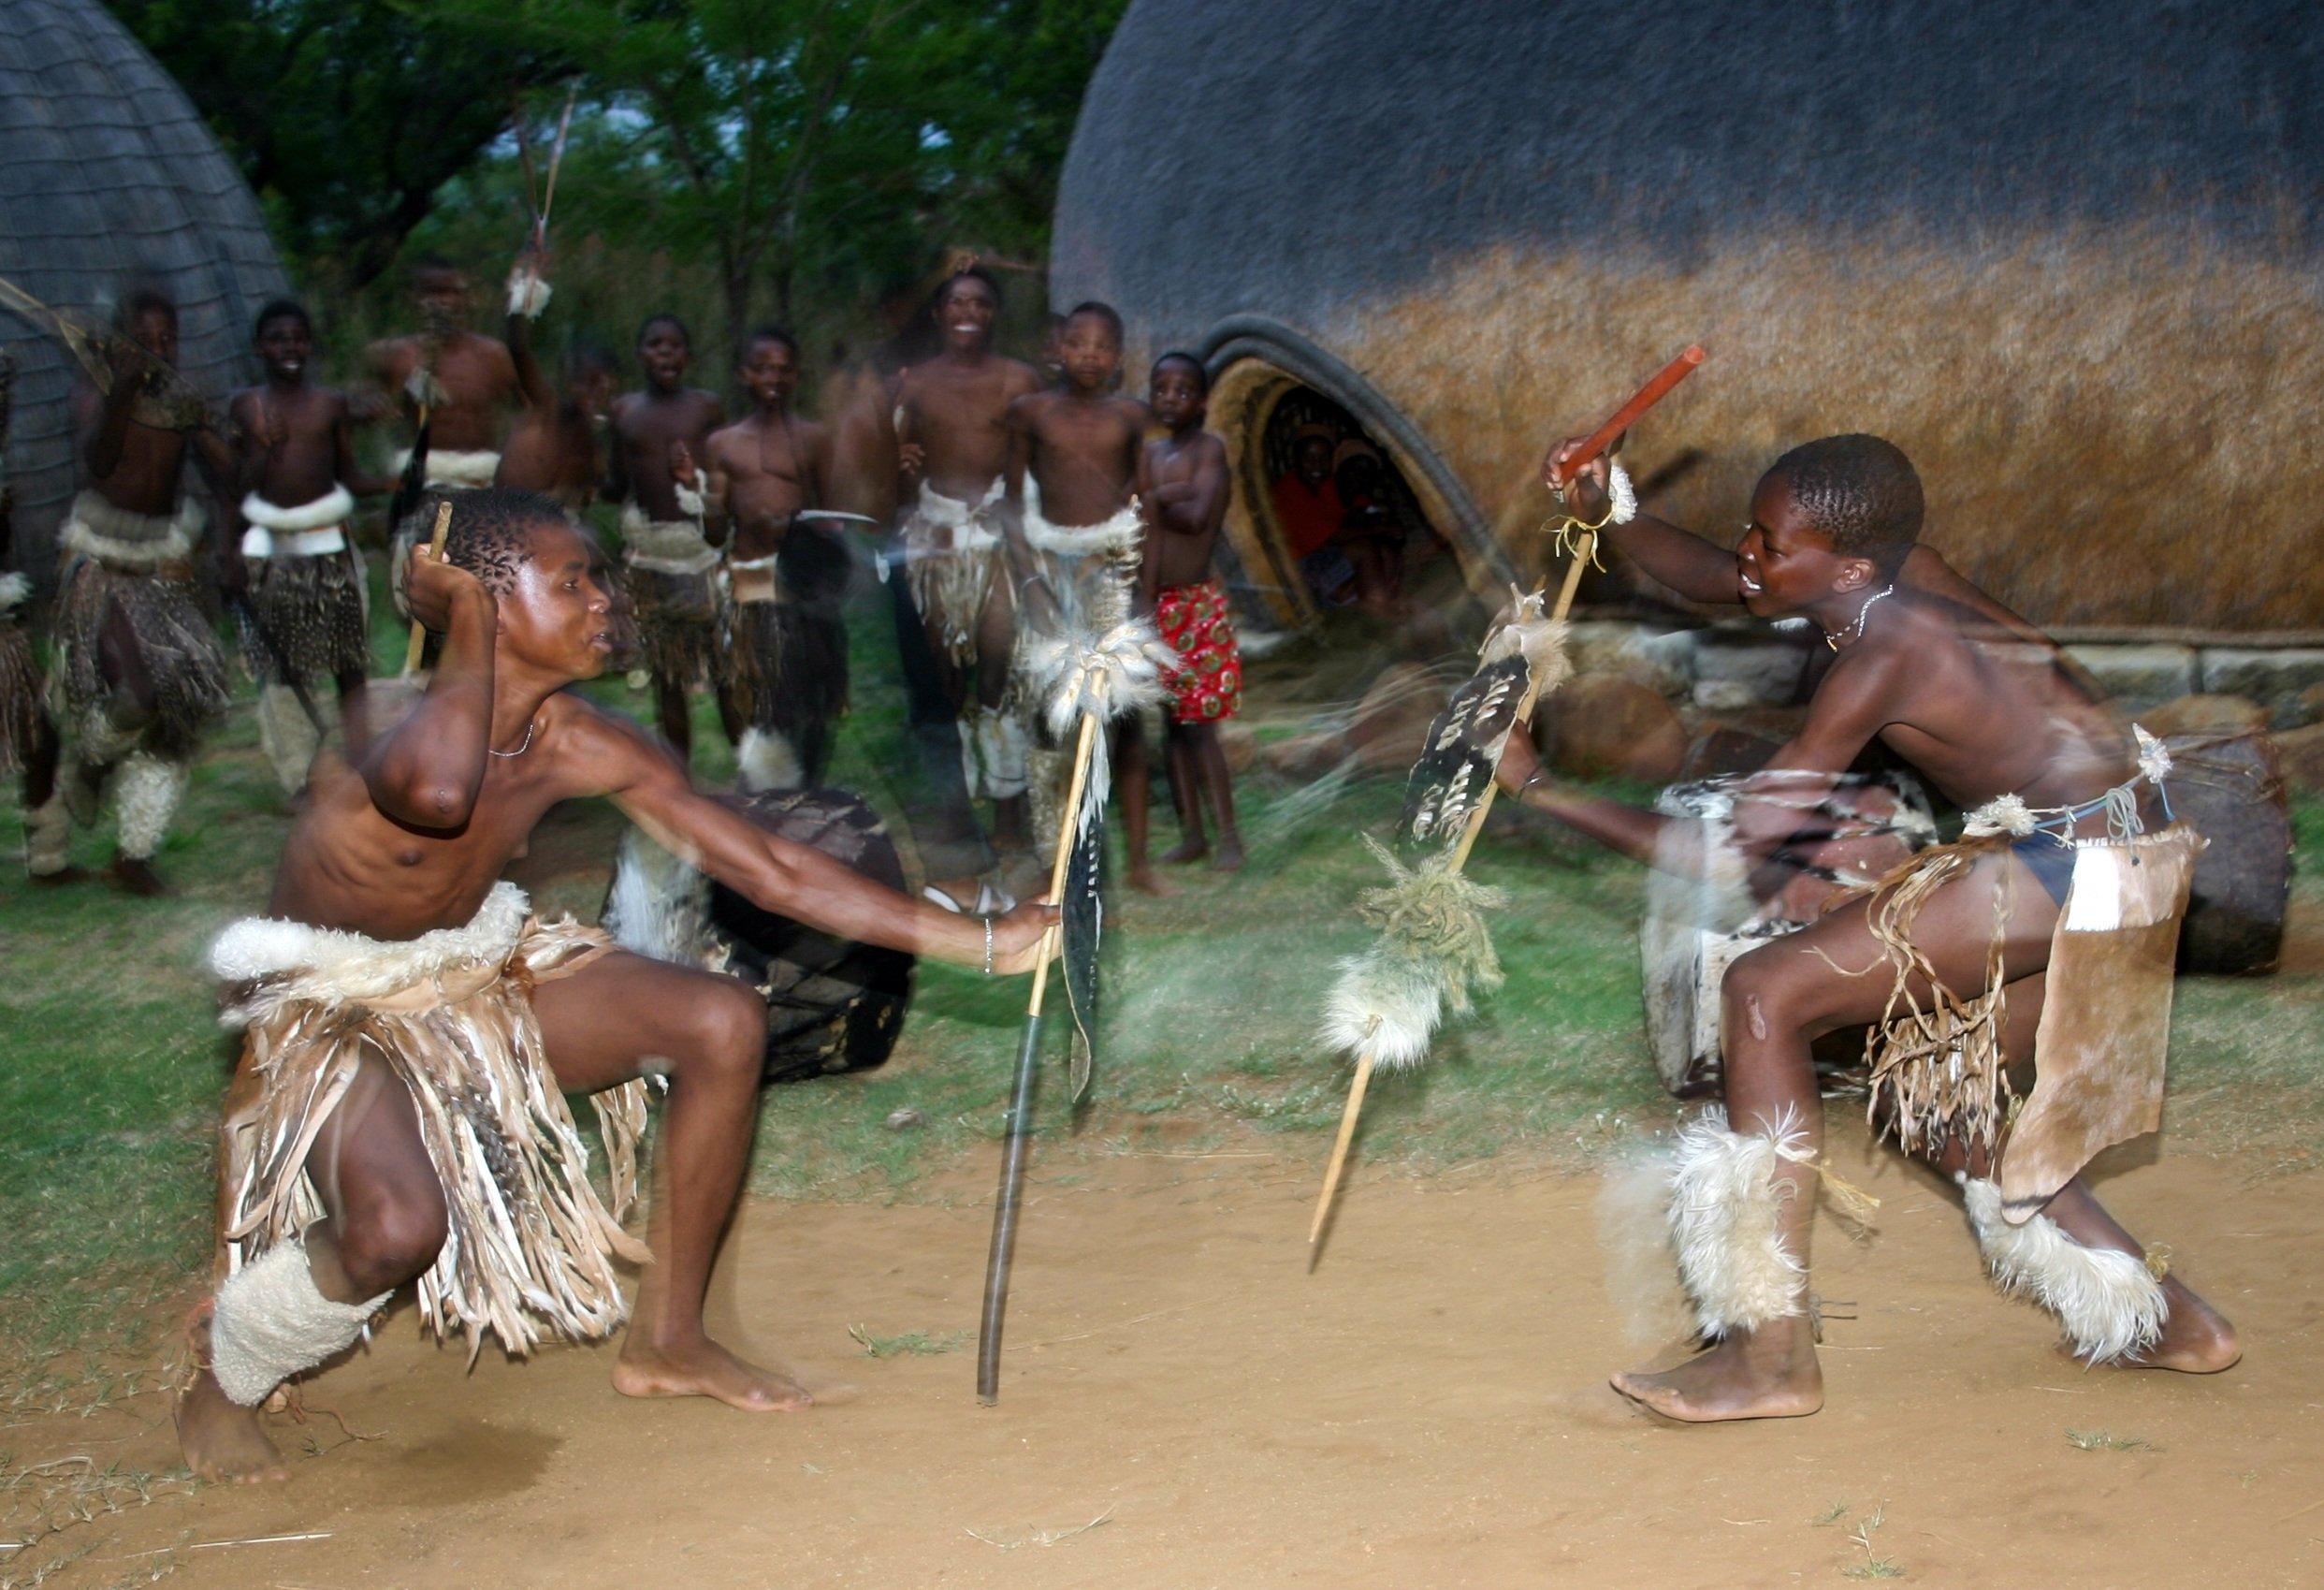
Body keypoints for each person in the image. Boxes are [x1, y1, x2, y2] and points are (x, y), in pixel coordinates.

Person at [174, 487, 1053, 1484]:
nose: (606, 602)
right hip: (334, 1011)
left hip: (473, 969)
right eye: (574, 582)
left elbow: (771, 868)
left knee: (720, 1018)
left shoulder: (581, 738)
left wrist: (981, 940)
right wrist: (461, 613)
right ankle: (223, 1380)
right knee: (393, 1231)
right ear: (486, 603)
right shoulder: (384, 722)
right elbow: (437, 793)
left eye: (599, 581)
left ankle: (669, 1340)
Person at [1500, 432, 2238, 1423]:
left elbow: (1735, 849)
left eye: (1771, 543)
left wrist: (1539, 787)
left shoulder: (1886, 653)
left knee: (1764, 993)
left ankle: (1769, 1357)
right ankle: (2163, 1319)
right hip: (2126, 852)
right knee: (1937, 1106)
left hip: (2078, 869)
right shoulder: (1897, 580)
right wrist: (1611, 507)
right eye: (1751, 535)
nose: (1748, 559)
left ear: (1846, 567)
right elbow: (1717, 576)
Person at [49, 288, 236, 896]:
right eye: (145, 339)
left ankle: (134, 853)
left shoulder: (183, 404)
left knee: (179, 707)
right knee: (143, 691)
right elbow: (100, 464)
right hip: (103, 561)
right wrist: (125, 390)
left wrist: (211, 428)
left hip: (161, 563)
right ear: (121, 342)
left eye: (167, 339)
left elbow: (229, 475)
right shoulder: (97, 393)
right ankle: (92, 757)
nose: (158, 350)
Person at [891, 267, 1042, 906]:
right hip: (934, 539)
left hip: (994, 533)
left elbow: (1028, 463)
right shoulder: (915, 383)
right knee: (944, 684)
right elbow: (894, 469)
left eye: (981, 302)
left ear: (994, 313)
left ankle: (1010, 813)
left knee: (999, 672)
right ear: (939, 312)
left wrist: (1021, 543)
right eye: (957, 301)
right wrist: (897, 466)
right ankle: (960, 820)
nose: (968, 311)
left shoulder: (1017, 380)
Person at [1001, 301, 1151, 869]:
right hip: (1048, 570)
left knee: (1118, 710)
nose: (1089, 354)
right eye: (1078, 342)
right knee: (1048, 710)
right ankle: (1054, 851)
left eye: (1102, 345)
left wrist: (1132, 577)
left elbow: (1144, 500)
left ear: (1118, 358)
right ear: (1058, 349)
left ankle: (1127, 857)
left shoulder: (1131, 416)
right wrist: (1033, 581)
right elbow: (1011, 505)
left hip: (1109, 574)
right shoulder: (1030, 412)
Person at [223, 299, 393, 795]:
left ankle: (364, 759)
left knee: (349, 661)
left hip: (329, 549)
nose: (288, 347)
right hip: (272, 553)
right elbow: (233, 484)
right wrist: (229, 552)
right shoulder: (245, 406)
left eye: (297, 337)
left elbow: (350, 476)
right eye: (277, 338)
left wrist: (392, 484)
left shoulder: (330, 405)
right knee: (284, 669)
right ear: (259, 348)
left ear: (310, 345)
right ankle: (299, 776)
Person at [703, 327, 844, 787]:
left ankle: (810, 786)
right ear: (745, 374)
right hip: (751, 582)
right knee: (763, 691)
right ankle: (764, 786)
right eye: (763, 368)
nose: (774, 377)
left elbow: (833, 516)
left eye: (784, 369)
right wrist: (706, 501)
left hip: (804, 583)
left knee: (817, 691)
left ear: (797, 375)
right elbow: (713, 531)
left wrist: (800, 531)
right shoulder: (724, 443)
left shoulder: (815, 438)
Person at [1136, 352, 1243, 875]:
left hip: (1195, 604)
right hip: (1154, 603)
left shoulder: (1209, 449)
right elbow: (1138, 512)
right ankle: (1192, 835)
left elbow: (1198, 515)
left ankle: (1228, 838)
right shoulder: (1151, 453)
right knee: (1172, 727)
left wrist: (1153, 499)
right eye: (1162, 388)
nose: (1170, 398)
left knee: (1201, 726)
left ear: (1200, 400)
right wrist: (1161, 496)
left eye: (1182, 390)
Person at [607, 314, 731, 762]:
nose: (665, 353)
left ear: (689, 356)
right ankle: (679, 775)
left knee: (726, 671)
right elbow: (618, 483)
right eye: (655, 345)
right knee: (668, 677)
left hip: (702, 553)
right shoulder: (624, 412)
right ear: (640, 354)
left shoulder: (706, 408)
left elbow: (722, 479)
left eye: (675, 345)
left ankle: (751, 773)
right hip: (652, 560)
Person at [366, 256, 521, 493]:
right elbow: (362, 406)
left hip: (481, 482)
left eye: (450, 292)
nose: (441, 303)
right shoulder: (393, 355)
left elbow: (531, 412)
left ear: (467, 298)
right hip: (422, 483)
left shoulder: (493, 355)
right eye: (430, 292)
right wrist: (371, 407)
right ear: (413, 298)